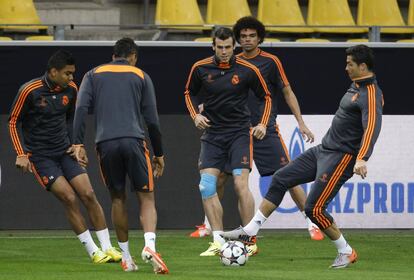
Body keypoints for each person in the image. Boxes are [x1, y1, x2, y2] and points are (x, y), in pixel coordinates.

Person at [222, 44, 383, 269]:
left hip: (341, 157)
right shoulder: (355, 85)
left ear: (363, 66)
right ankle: (250, 232)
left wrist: (362, 158)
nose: (346, 67)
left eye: (350, 64)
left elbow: (372, 127)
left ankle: (346, 251)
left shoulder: (371, 94)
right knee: (280, 178)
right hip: (323, 150)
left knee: (314, 209)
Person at [190, 17, 323, 242]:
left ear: (260, 37)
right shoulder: (231, 61)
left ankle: (311, 221)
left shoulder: (271, 61)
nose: (247, 40)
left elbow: (287, 92)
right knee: (218, 179)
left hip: (264, 129)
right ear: (235, 41)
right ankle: (208, 225)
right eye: (243, 36)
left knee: (287, 175)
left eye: (252, 36)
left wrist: (300, 122)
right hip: (234, 130)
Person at [8, 50, 121, 264]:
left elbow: (71, 119)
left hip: (64, 152)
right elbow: (14, 122)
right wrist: (21, 154)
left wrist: (76, 145)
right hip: (41, 157)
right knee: (69, 198)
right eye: (67, 73)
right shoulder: (30, 90)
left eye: (73, 74)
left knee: (88, 193)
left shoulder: (72, 89)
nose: (71, 78)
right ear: (53, 72)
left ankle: (108, 247)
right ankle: (93, 251)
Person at [70, 38, 168, 274]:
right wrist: (159, 153)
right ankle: (149, 246)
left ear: (114, 55)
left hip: (105, 143)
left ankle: (126, 258)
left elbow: (81, 108)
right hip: (134, 140)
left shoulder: (92, 74)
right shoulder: (141, 75)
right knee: (146, 197)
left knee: (117, 199)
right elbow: (152, 121)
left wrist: (77, 143)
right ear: (132, 55)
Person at [184, 27, 272, 257]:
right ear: (213, 46)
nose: (224, 51)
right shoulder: (200, 68)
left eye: (228, 47)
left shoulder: (248, 69)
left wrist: (262, 124)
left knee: (240, 185)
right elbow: (188, 93)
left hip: (239, 134)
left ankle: (249, 240)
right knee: (206, 185)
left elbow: (266, 97)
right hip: (213, 134)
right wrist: (196, 115)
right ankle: (217, 240)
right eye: (219, 47)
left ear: (235, 47)